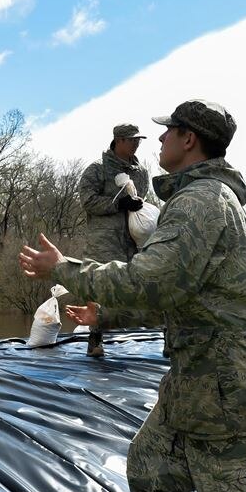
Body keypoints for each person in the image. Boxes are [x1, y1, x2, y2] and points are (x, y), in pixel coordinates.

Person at [19, 99, 246, 492]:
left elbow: (152, 282)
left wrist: (62, 268)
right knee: (150, 470)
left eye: (169, 130)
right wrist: (104, 314)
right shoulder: (193, 198)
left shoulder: (201, 202)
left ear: (190, 139)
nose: (160, 138)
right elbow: (177, 291)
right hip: (199, 381)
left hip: (232, 388)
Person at [77, 123, 150, 357]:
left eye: (138, 140)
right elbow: (88, 200)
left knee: (142, 282)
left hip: (132, 238)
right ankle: (95, 338)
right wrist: (117, 204)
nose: (136, 144)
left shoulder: (141, 172)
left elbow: (142, 198)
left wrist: (137, 205)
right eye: (132, 140)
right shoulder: (97, 170)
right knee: (100, 288)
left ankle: (167, 334)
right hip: (104, 241)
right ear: (118, 140)